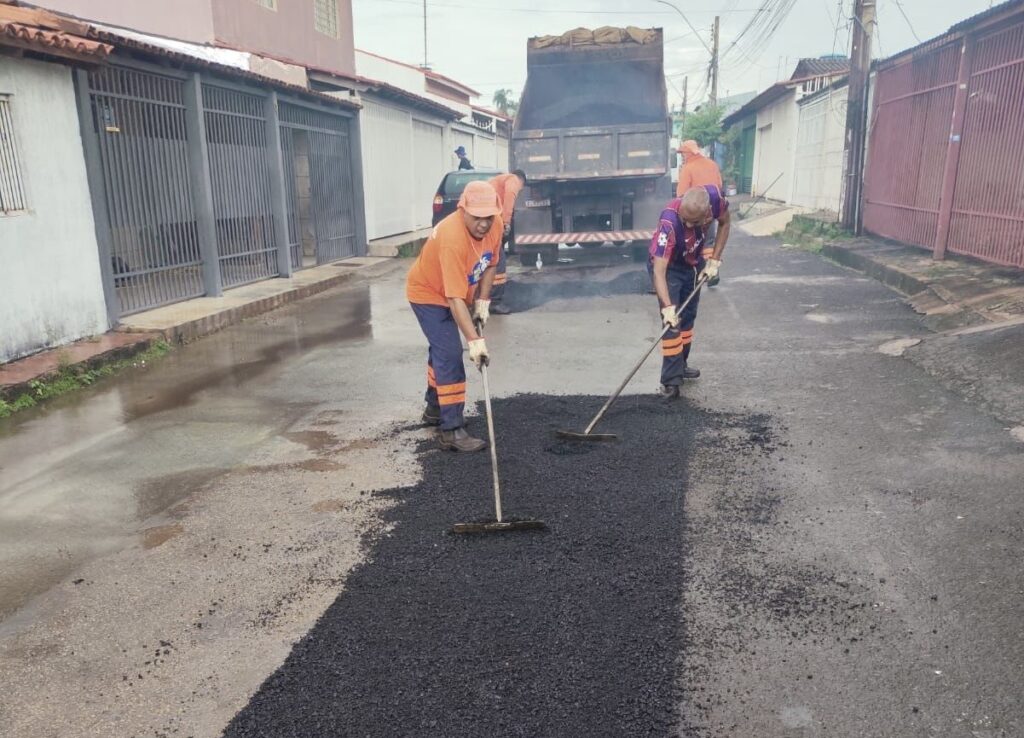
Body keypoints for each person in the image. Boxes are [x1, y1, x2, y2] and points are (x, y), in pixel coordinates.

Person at [406, 180, 503, 452]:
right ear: (463, 210)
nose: (483, 224)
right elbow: (454, 299)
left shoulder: (495, 226)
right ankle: (451, 429)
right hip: (428, 293)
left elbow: (491, 263)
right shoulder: (452, 238)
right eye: (477, 218)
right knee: (449, 352)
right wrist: (475, 342)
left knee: (440, 350)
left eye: (488, 217)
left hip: (458, 290)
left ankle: (434, 408)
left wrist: (483, 302)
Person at [648, 185, 731, 399]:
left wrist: (715, 259)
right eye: (684, 219)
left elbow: (725, 222)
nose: (687, 225)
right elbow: (659, 271)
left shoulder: (714, 200)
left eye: (693, 222)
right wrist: (667, 308)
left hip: (692, 264)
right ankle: (670, 382)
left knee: (687, 319)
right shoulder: (669, 222)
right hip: (670, 269)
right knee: (672, 324)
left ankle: (681, 367)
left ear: (706, 215)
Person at [676, 140, 725, 286]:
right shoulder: (712, 164)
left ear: (689, 152)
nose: (682, 156)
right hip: (711, 209)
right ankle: (712, 273)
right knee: (709, 241)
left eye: (683, 153)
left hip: (695, 211)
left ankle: (694, 273)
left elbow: (681, 195)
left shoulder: (688, 168)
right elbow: (719, 186)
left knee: (694, 242)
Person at [486, 169, 527, 315]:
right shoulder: (513, 180)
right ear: (522, 181)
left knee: (487, 259)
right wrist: (506, 222)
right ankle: (495, 302)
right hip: (490, 219)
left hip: (484, 218)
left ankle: (479, 297)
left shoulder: (497, 181)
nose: (519, 190)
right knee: (498, 261)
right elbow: (510, 196)